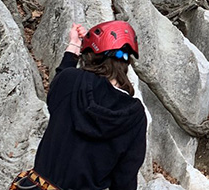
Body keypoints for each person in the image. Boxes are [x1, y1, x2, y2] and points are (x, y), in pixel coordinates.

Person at [9, 21, 147, 190]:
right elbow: (125, 177)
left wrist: (74, 46)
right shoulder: (134, 114)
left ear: (90, 55)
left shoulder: (71, 81)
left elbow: (55, 92)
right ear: (127, 62)